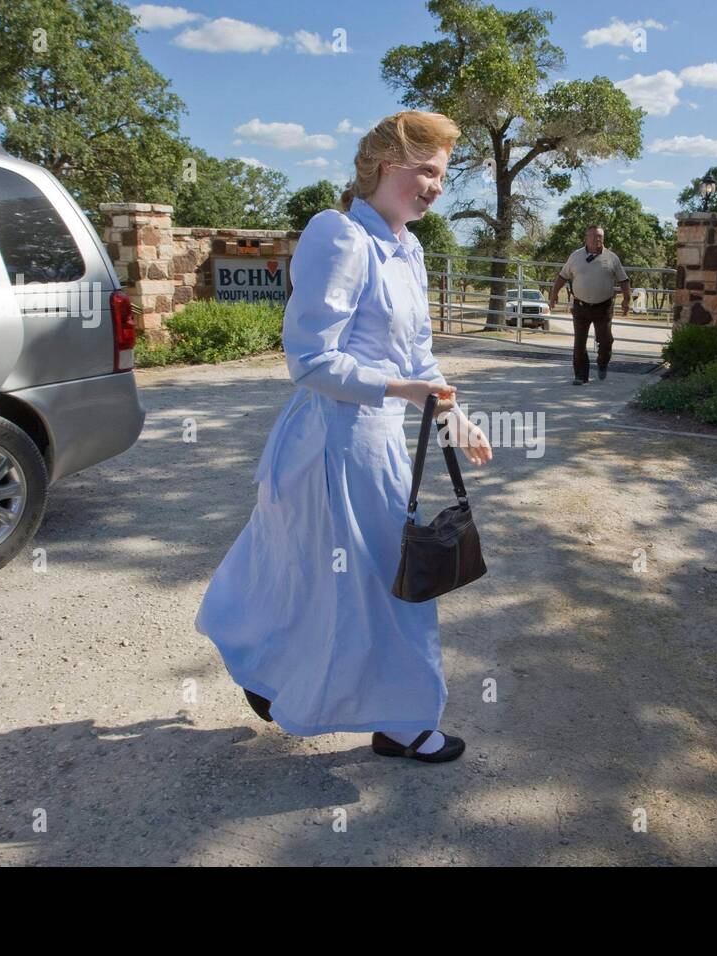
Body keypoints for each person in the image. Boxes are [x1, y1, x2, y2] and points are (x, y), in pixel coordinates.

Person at [194, 111, 493, 764]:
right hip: (333, 444)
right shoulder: (338, 236)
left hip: (382, 448)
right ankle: (395, 720)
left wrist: (450, 413)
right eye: (430, 171)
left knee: (365, 583)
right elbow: (309, 358)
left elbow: (417, 356)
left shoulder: (407, 249)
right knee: (358, 584)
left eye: (442, 175)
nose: (437, 187)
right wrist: (403, 391)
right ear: (391, 165)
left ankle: (346, 702)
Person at [548, 225, 631, 385]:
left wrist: (626, 300)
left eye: (600, 236)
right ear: (586, 238)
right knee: (580, 343)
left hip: (603, 307)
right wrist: (553, 295)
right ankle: (580, 375)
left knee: (606, 340)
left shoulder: (612, 258)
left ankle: (602, 363)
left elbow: (623, 280)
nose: (597, 239)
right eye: (594, 236)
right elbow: (562, 276)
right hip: (580, 306)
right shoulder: (575, 256)